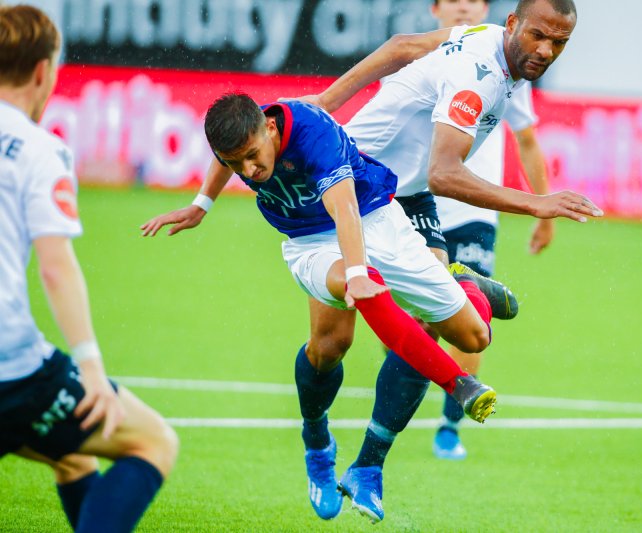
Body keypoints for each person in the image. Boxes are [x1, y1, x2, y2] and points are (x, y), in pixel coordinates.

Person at [286, 0, 601, 520]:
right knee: (330, 345)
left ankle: (368, 464)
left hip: (404, 195)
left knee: (449, 327)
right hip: (351, 183)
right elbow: (445, 173)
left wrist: (327, 98)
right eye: (540, 36)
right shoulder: (478, 75)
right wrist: (536, 203)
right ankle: (318, 445)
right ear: (514, 25)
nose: (546, 51)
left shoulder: (488, 42)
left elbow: (404, 46)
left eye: (559, 43)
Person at [140, 93, 517, 523]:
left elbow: (345, 208)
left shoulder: (313, 134)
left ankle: (465, 283)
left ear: (270, 128)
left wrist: (357, 267)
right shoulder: (246, 135)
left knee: (474, 336)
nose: (250, 171)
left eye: (252, 157)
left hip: (372, 216)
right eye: (236, 163)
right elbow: (226, 158)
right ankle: (323, 441)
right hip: (308, 242)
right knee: (331, 344)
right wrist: (201, 205)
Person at [0, 5, 178, 533]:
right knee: (152, 441)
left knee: (72, 454)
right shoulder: (39, 149)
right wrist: (91, 367)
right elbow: (56, 267)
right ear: (42, 71)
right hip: (13, 372)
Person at [427, 0, 554, 460]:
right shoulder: (418, 58)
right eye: (455, 0)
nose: (465, 7)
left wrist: (543, 212)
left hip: (475, 209)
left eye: (475, 0)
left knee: (471, 317)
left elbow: (527, 139)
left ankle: (449, 425)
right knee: (421, 322)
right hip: (417, 206)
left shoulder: (507, 65)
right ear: (435, 8)